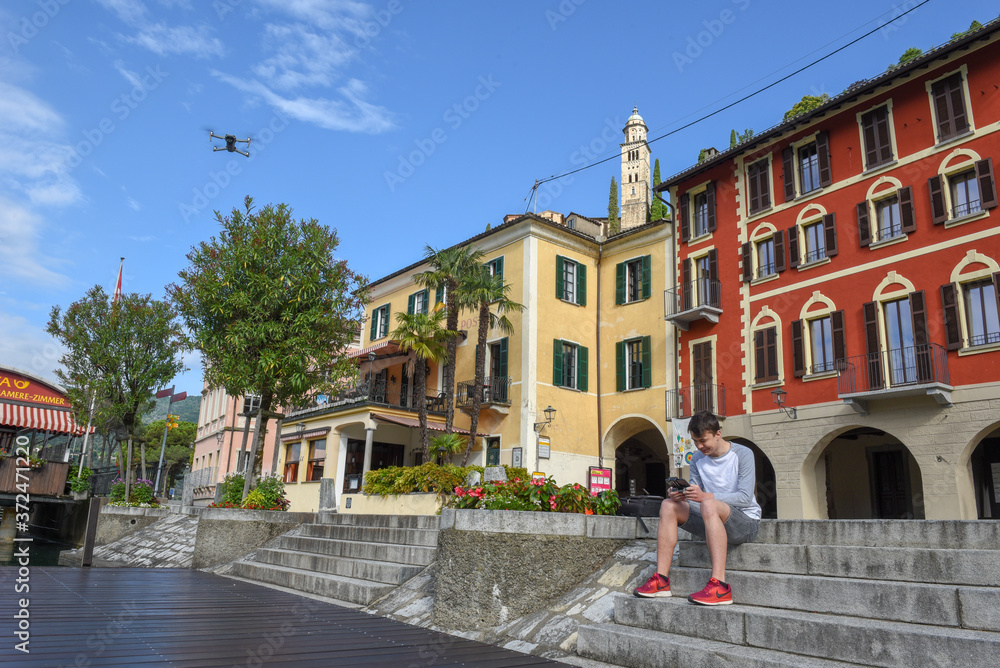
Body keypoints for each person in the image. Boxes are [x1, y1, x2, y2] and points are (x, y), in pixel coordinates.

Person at [632, 411, 761, 605]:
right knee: (669, 505)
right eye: (695, 441)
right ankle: (661, 580)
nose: (700, 446)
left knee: (708, 503)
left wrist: (706, 497)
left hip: (745, 523)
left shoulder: (743, 454)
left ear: (718, 434)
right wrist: (682, 495)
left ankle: (720, 586)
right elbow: (696, 497)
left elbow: (744, 498)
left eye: (703, 440)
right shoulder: (697, 459)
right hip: (711, 519)